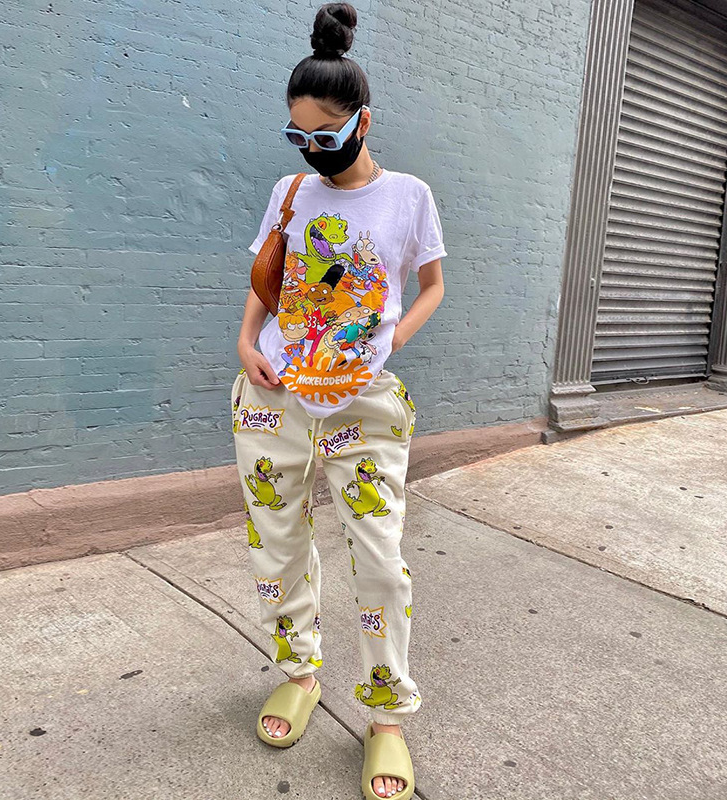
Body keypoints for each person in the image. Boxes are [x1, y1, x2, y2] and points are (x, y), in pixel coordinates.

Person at [231, 4, 446, 798]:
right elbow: (270, 277)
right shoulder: (290, 190)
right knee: (277, 544)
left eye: (326, 135)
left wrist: (394, 340)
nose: (313, 150)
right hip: (275, 395)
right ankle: (299, 672)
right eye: (299, 136)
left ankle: (386, 717)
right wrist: (246, 343)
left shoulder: (408, 196)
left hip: (363, 402)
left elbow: (433, 285)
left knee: (380, 559)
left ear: (363, 121)